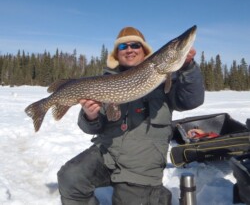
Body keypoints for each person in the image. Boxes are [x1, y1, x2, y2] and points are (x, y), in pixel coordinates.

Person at [57, 26, 205, 205]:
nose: (129, 49)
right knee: (70, 177)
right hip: (108, 155)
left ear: (144, 51)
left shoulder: (167, 80)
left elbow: (192, 100)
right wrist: (90, 116)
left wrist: (188, 68)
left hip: (142, 165)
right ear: (116, 53)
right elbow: (90, 128)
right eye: (123, 46)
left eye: (135, 45)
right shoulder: (105, 82)